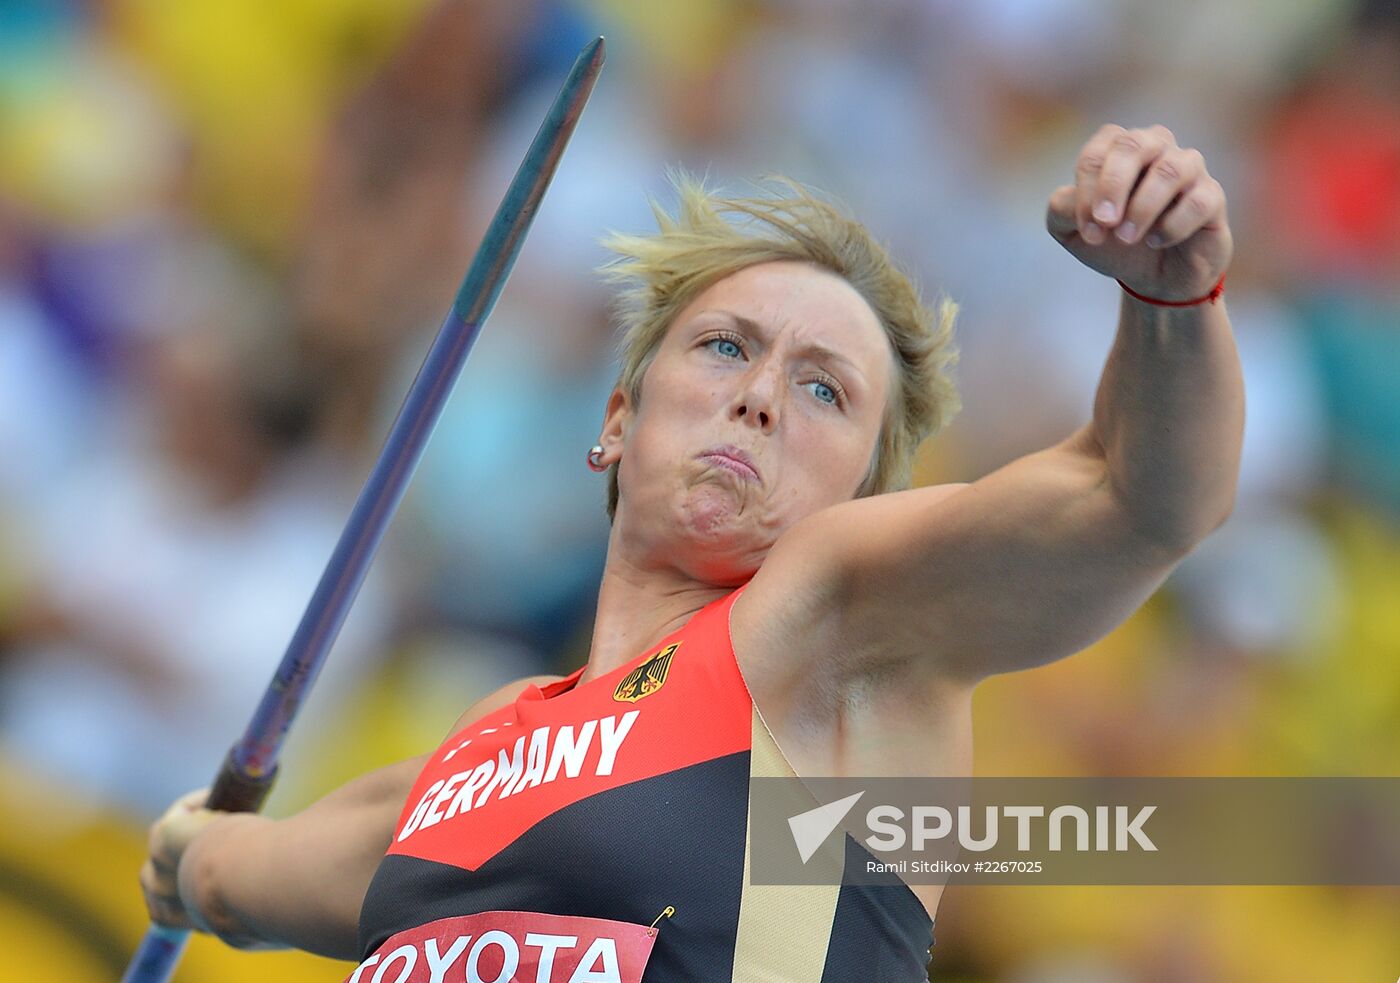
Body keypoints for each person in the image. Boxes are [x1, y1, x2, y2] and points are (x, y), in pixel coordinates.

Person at [140, 123, 1242, 982]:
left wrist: (1169, 289)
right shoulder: (486, 744)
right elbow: (236, 873)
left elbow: (1135, 498)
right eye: (725, 347)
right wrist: (187, 857)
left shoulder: (836, 631)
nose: (760, 396)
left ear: (860, 495)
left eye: (823, 388)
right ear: (618, 417)